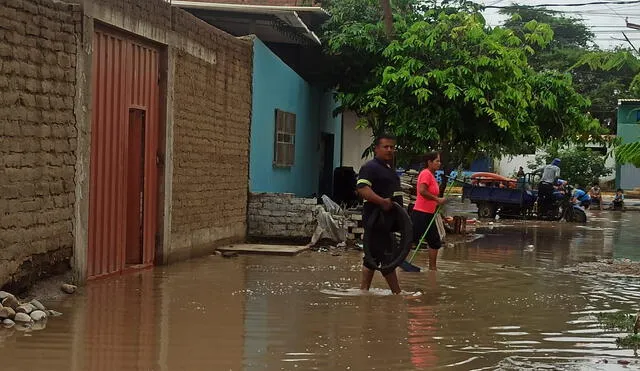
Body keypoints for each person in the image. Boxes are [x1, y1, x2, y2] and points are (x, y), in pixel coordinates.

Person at [356, 134, 404, 294]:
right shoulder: (370, 168)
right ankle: (397, 294)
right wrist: (382, 201)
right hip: (376, 221)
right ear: (376, 149)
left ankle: (364, 292)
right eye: (386, 147)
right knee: (386, 258)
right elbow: (362, 189)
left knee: (372, 257)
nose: (390, 150)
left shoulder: (388, 169)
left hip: (388, 223)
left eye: (392, 147)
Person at [411, 152, 446, 271]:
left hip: (429, 213)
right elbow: (422, 191)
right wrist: (437, 199)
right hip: (421, 213)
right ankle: (398, 263)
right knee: (411, 239)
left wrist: (438, 203)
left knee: (434, 241)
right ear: (429, 162)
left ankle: (433, 269)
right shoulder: (425, 173)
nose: (439, 163)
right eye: (437, 161)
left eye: (439, 161)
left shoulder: (432, 175)